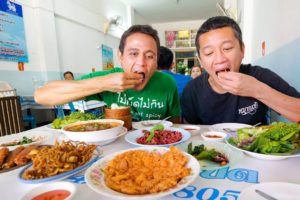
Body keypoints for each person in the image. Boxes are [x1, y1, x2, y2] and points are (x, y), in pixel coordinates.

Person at [35, 25, 180, 123]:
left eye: (149, 56)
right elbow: (42, 95)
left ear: (156, 61)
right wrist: (103, 83)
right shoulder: (108, 77)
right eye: (133, 53)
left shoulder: (167, 83)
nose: (141, 62)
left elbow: (175, 124)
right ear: (120, 56)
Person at [181, 16, 300, 125]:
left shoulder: (259, 76)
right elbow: (191, 133)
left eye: (227, 48)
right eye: (209, 53)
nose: (219, 59)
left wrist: (256, 89)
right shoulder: (192, 90)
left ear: (242, 50)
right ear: (200, 60)